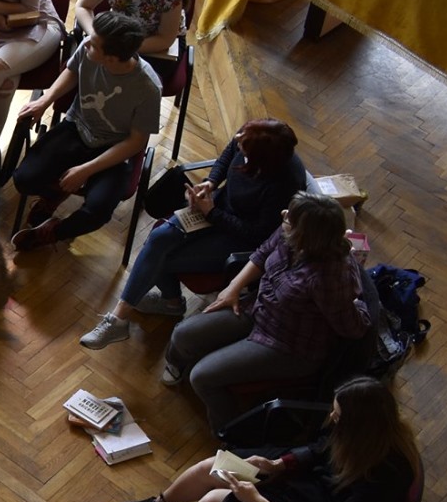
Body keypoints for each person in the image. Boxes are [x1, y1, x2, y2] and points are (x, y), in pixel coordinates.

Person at [104, 376, 417, 502]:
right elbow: (320, 449)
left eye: (338, 417)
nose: (331, 420)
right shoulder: (359, 434)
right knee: (214, 465)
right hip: (296, 484)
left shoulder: (388, 477)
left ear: (359, 427)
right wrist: (280, 465)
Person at [81, 118, 308, 349]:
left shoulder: (285, 183)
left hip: (236, 236)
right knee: (158, 238)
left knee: (162, 258)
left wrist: (211, 214)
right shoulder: (249, 138)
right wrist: (210, 182)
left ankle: (162, 307)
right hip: (216, 209)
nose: (237, 141)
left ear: (260, 160)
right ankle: (144, 311)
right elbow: (228, 154)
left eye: (243, 145)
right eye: (240, 137)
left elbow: (257, 234)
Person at [162, 193, 371, 433]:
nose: (283, 215)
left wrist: (358, 301)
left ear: (307, 236)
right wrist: (233, 288)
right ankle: (179, 365)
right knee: (182, 334)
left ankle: (231, 434)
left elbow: (353, 328)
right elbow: (262, 253)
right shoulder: (289, 232)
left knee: (201, 376)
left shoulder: (329, 277)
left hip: (287, 345)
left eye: (290, 218)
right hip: (258, 309)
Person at [7, 12, 161, 253]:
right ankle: (56, 195)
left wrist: (86, 170)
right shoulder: (90, 50)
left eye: (94, 44)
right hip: (77, 128)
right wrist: (45, 100)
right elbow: (72, 71)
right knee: (24, 179)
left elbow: (135, 142)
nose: (86, 42)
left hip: (113, 151)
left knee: (97, 211)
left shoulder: (148, 88)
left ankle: (52, 232)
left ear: (111, 59)